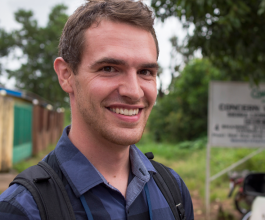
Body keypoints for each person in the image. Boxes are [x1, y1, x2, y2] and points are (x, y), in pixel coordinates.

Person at [0, 0, 194, 219]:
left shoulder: (173, 190)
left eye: (145, 71)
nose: (134, 91)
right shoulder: (23, 210)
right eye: (109, 68)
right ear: (66, 75)